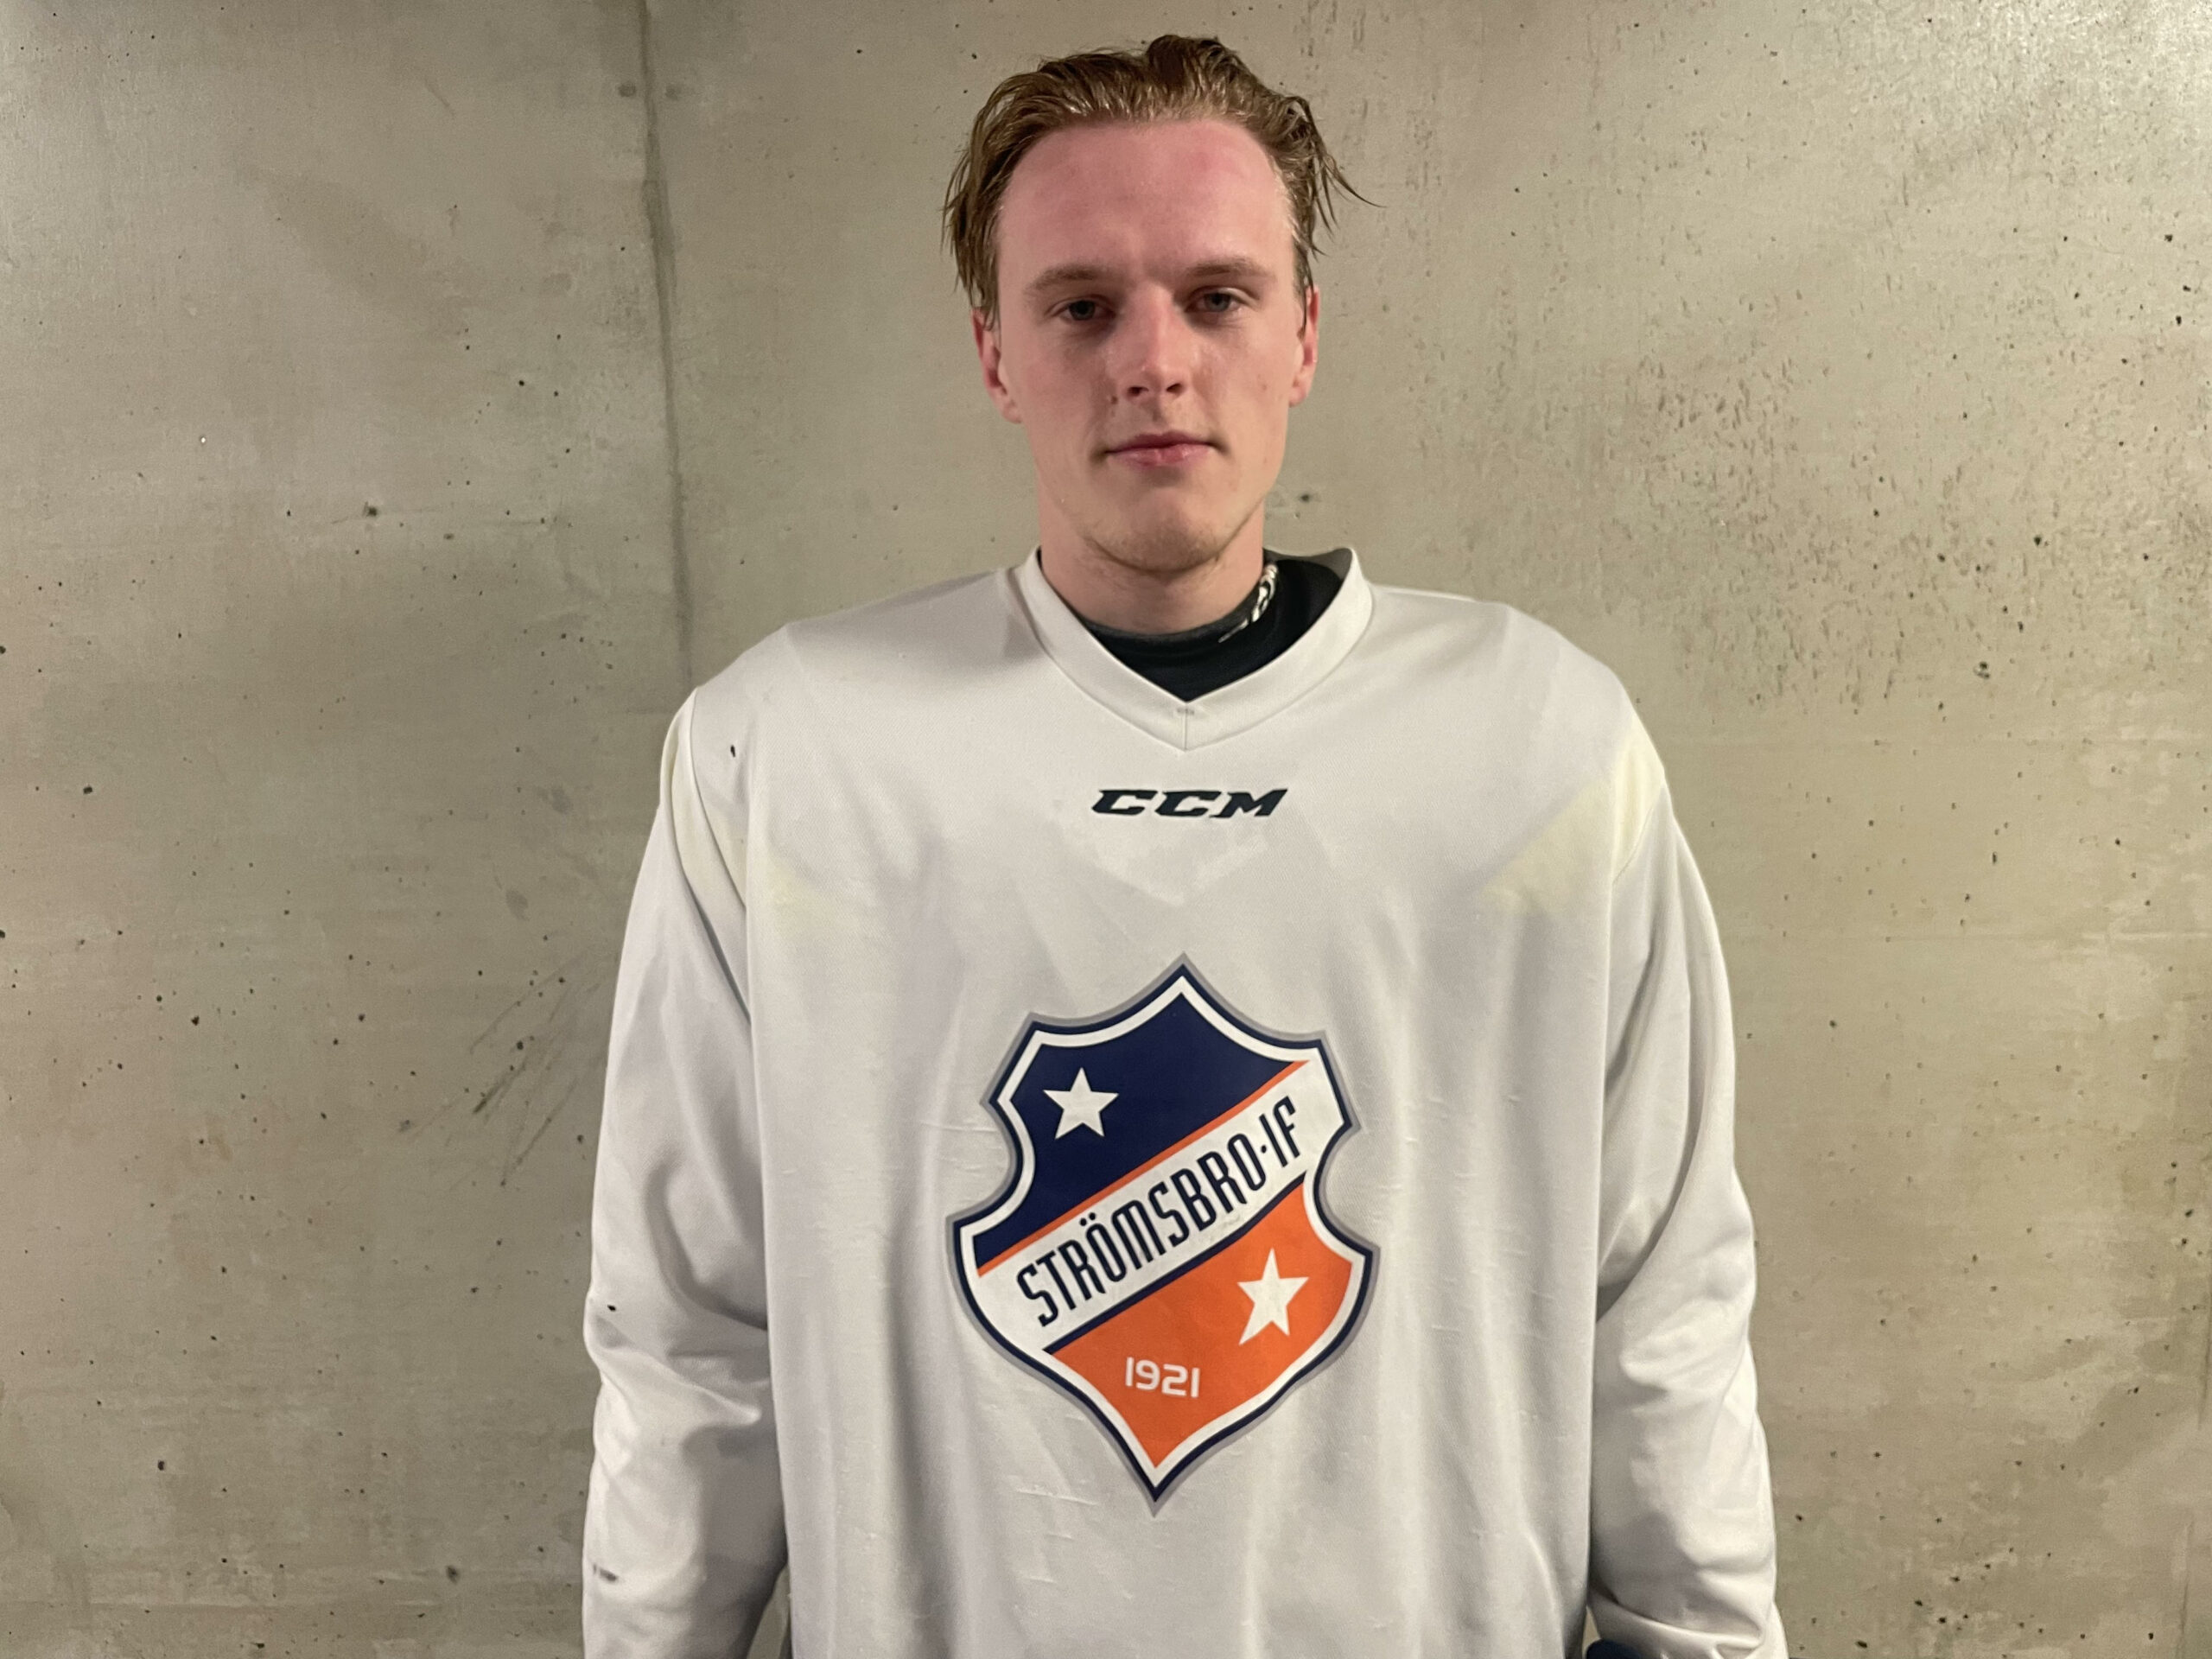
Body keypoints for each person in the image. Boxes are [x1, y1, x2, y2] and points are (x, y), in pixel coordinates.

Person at [580, 33, 1789, 1659]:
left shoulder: (1542, 749)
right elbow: (687, 1335)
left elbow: (1663, 1307)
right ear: (995, 352)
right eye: (1082, 306)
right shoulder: (786, 757)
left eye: (1217, 296)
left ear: (1304, 336)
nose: (1153, 360)